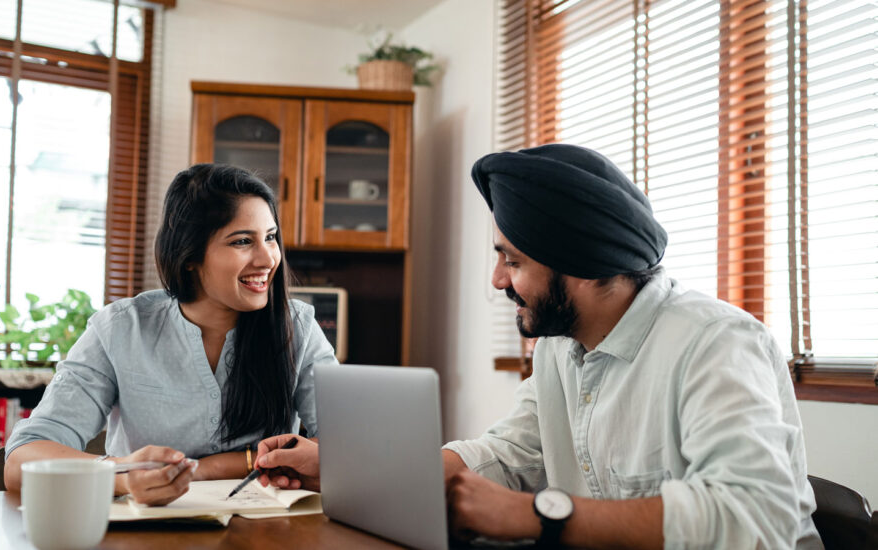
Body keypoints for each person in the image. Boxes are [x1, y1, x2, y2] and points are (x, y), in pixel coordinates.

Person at [254, 145, 822, 549]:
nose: (498, 281)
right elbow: (509, 455)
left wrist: (538, 517)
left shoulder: (715, 342)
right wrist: (353, 470)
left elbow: (755, 520)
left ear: (578, 262)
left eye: (514, 260)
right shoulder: (559, 347)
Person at [4, 164, 337, 505]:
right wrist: (123, 475)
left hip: (269, 533)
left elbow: (351, 449)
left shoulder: (298, 328)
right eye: (242, 241)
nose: (268, 258)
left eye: (270, 237)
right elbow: (20, 463)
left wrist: (210, 468)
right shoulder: (120, 328)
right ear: (189, 255)